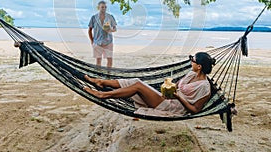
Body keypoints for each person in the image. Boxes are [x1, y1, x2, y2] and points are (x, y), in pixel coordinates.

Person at [84, 52, 215, 117]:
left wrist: (178, 97)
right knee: (135, 81)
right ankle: (101, 82)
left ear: (199, 66)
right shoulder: (192, 74)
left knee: (138, 86)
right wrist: (169, 87)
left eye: (193, 60)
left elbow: (195, 110)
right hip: (168, 98)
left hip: (174, 107)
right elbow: (178, 87)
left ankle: (102, 94)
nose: (190, 62)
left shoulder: (204, 87)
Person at [88, 0, 117, 68]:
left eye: (105, 7)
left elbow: (115, 29)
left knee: (109, 60)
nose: (104, 9)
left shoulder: (110, 17)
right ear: (98, 7)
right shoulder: (94, 17)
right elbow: (89, 30)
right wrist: (92, 41)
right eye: (102, 7)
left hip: (108, 42)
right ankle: (99, 75)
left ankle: (108, 75)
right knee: (98, 60)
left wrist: (110, 30)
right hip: (97, 42)